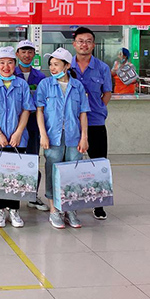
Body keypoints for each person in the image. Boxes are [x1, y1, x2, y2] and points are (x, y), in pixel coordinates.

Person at [0, 46, 36, 229]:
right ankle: (0, 211)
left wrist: (18, 132)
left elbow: (26, 110)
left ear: (15, 64)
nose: (6, 66)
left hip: (18, 138)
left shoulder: (22, 85)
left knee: (15, 175)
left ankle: (14, 210)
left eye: (10, 62)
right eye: (2, 62)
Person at [36, 47, 90, 230]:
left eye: (56, 64)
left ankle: (70, 209)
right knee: (52, 171)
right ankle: (54, 210)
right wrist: (43, 134)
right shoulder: (45, 85)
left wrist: (84, 137)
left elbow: (83, 113)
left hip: (74, 137)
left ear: (67, 66)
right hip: (53, 137)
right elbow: (39, 111)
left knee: (72, 173)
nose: (52, 68)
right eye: (51, 64)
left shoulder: (78, 86)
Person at [70, 27, 113, 220]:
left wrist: (98, 109)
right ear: (74, 44)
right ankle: (70, 201)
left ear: (93, 45)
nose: (84, 45)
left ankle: (98, 204)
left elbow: (107, 92)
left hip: (95, 122)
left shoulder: (102, 68)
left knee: (98, 162)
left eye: (88, 41)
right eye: (80, 41)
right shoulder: (66, 66)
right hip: (71, 122)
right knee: (70, 163)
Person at [14, 39, 50, 212]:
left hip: (33, 126)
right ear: (17, 54)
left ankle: (32, 196)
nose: (26, 55)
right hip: (13, 126)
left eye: (30, 52)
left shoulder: (41, 77)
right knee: (13, 161)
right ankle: (11, 197)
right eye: (23, 52)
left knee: (33, 160)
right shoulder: (10, 73)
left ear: (34, 54)